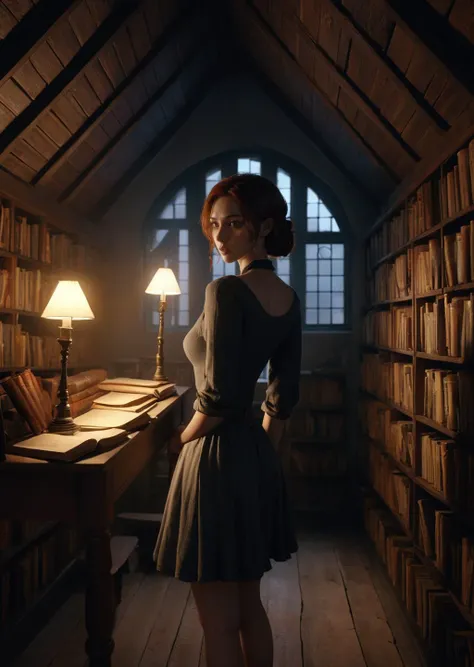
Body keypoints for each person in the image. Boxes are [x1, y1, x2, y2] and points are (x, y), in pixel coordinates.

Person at [153, 173, 302, 667]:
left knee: (216, 620)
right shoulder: (287, 298)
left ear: (263, 227)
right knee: (248, 608)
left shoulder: (225, 291)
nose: (219, 237)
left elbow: (214, 399)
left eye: (233, 224)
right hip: (255, 454)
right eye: (214, 225)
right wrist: (261, 457)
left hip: (213, 460)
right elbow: (282, 396)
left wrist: (178, 439)